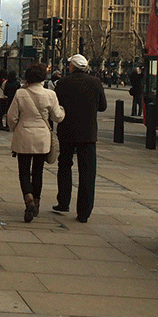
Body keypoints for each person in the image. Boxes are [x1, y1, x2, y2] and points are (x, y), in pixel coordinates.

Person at [7, 63, 64, 222]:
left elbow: (11, 118)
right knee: (38, 171)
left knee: (23, 171)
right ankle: (36, 203)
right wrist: (63, 111)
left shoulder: (20, 94)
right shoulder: (50, 95)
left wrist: (15, 128)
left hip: (24, 136)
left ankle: (29, 198)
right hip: (42, 138)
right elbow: (57, 116)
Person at [52, 54, 107, 223]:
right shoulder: (96, 83)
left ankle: (63, 202)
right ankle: (84, 211)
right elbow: (103, 107)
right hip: (88, 134)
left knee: (65, 166)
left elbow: (56, 105)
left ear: (72, 67)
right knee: (87, 173)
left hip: (67, 131)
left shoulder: (63, 83)